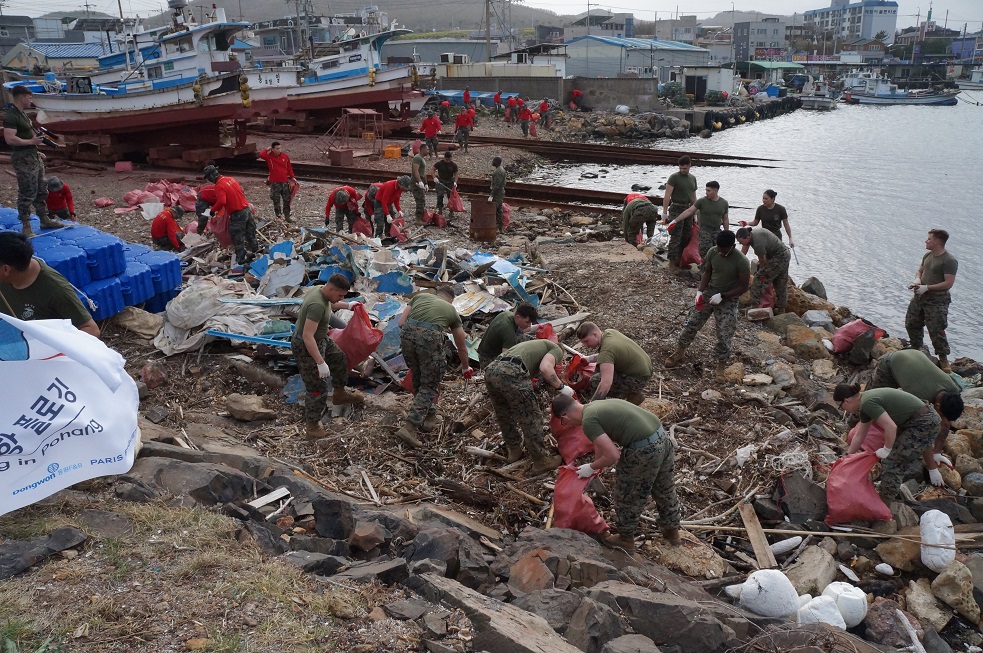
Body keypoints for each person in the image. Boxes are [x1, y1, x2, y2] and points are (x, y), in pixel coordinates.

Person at [551, 395, 681, 552]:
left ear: (565, 417)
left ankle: (625, 539)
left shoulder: (588, 422)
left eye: (563, 422)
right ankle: (672, 531)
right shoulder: (594, 407)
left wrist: (591, 467)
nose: (567, 425)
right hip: (662, 438)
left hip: (643, 449)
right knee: (664, 488)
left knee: (627, 494)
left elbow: (613, 455)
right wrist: (597, 466)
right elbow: (599, 444)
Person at [665, 230, 751, 379]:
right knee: (692, 322)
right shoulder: (713, 252)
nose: (721, 252)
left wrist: (723, 296)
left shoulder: (741, 261)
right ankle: (680, 351)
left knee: (724, 333)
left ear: (733, 246)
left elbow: (743, 287)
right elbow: (707, 272)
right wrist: (700, 291)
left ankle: (721, 365)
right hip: (710, 292)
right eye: (719, 248)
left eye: (724, 250)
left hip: (728, 298)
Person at [835, 383, 942, 500]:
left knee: (892, 461)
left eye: (841, 407)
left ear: (847, 401)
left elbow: (891, 427)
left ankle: (885, 500)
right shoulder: (864, 402)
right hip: (917, 420)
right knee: (899, 452)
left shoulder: (867, 403)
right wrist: (846, 457)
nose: (843, 410)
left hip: (923, 422)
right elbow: (859, 436)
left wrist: (886, 449)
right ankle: (887, 491)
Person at [291, 275, 365, 440]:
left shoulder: (321, 291)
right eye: (340, 295)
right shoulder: (316, 304)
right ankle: (312, 427)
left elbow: (330, 303)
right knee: (317, 388)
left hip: (321, 339)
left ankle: (339, 393)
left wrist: (348, 305)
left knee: (339, 359)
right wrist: (320, 362)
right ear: (332, 289)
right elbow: (307, 336)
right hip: (306, 346)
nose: (341, 298)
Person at [395, 287, 472, 446]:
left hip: (406, 336)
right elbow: (461, 346)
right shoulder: (451, 310)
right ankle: (409, 427)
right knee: (430, 385)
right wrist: (465, 367)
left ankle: (429, 417)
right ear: (450, 300)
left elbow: (401, 323)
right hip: (429, 338)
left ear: (437, 295)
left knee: (418, 377)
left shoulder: (420, 296)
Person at [868, 348, 964, 476]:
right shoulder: (918, 399)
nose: (943, 419)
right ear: (937, 406)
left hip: (914, 356)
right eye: (942, 415)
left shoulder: (953, 390)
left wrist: (936, 453)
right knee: (870, 401)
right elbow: (922, 432)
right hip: (890, 362)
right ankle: (852, 427)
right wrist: (932, 468)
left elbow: (946, 423)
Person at [485, 339, 568, 473]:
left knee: (503, 413)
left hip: (491, 370)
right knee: (531, 416)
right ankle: (541, 460)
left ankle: (514, 449)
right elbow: (546, 368)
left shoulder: (534, 346)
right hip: (511, 371)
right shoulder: (556, 348)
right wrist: (562, 388)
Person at [0, 232, 99, 337]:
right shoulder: (12, 270)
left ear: (6, 269)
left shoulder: (56, 289)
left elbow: (91, 330)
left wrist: (52, 345)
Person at [4, 86, 64, 237]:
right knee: (27, 192)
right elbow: (9, 138)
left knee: (41, 189)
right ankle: (26, 225)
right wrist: (31, 142)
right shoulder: (11, 116)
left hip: (32, 156)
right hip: (23, 159)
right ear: (21, 97)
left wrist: (35, 150)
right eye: (29, 98)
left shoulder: (23, 114)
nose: (31, 101)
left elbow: (25, 136)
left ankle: (44, 219)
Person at [905, 229, 957, 372]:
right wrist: (917, 280)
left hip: (937, 300)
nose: (926, 241)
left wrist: (927, 287)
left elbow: (948, 283)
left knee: (936, 329)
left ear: (937, 242)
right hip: (920, 297)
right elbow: (920, 270)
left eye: (929, 239)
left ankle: (943, 359)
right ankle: (916, 348)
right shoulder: (928, 255)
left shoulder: (949, 261)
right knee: (911, 323)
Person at [576, 322, 652, 405]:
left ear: (595, 335)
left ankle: (632, 394)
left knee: (595, 381)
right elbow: (610, 355)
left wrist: (591, 405)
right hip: (644, 369)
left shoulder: (607, 350)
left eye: (586, 341)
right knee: (599, 368)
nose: (585, 345)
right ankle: (632, 393)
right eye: (583, 342)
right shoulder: (609, 333)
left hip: (638, 379)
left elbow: (606, 383)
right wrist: (589, 359)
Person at [203, 165, 257, 269]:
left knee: (237, 236)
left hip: (237, 213)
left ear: (211, 176)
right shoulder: (230, 179)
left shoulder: (219, 186)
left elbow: (222, 201)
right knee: (250, 233)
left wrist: (212, 211)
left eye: (208, 178)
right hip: (246, 209)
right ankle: (256, 251)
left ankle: (241, 260)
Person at [736, 226, 791, 315]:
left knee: (759, 279)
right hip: (785, 254)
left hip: (779, 257)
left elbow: (763, 260)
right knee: (780, 281)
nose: (740, 243)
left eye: (741, 242)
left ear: (747, 238)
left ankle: (755, 306)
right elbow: (744, 251)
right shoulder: (751, 234)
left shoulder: (757, 243)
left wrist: (762, 272)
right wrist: (738, 262)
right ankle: (781, 309)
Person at [673, 181, 729, 261]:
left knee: (719, 251)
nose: (706, 193)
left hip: (717, 230)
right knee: (705, 250)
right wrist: (675, 220)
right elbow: (689, 211)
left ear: (715, 191)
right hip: (704, 229)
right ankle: (704, 266)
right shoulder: (702, 201)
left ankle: (715, 266)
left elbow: (725, 219)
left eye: (708, 191)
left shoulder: (724, 203)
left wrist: (727, 233)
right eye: (706, 190)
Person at [661, 156, 698, 272]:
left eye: (684, 168)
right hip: (676, 208)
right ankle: (672, 262)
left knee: (686, 235)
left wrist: (695, 213)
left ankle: (681, 260)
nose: (682, 170)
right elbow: (667, 195)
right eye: (680, 168)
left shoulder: (692, 178)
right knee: (676, 235)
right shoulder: (674, 177)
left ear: (690, 165)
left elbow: (693, 196)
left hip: (689, 208)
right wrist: (664, 212)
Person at [477, 302, 538, 368]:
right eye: (527, 322)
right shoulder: (509, 332)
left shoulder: (508, 315)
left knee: (529, 340)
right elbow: (506, 361)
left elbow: (521, 330)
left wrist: (539, 327)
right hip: (488, 359)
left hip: (485, 350)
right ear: (518, 317)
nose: (529, 325)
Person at [258, 141, 295, 221]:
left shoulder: (285, 156)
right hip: (275, 182)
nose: (279, 150)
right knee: (276, 200)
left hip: (284, 181)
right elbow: (261, 154)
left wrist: (292, 177)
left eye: (280, 148)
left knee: (287, 199)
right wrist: (267, 149)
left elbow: (289, 167)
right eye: (277, 149)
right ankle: (279, 216)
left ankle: (287, 216)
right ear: (273, 149)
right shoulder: (269, 157)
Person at [433, 151, 459, 215]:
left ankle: (451, 210)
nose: (447, 161)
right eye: (446, 159)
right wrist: (434, 177)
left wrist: (455, 182)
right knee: (440, 195)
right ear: (444, 158)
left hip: (450, 181)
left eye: (449, 159)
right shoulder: (439, 163)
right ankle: (440, 209)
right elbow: (432, 169)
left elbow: (456, 174)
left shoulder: (453, 165)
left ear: (451, 158)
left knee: (451, 196)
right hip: (441, 181)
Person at [489, 156, 507, 233]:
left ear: (497, 162)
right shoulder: (501, 169)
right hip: (500, 192)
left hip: (498, 193)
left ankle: (496, 227)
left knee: (495, 209)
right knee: (498, 209)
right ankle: (500, 228)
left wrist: (492, 194)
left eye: (493, 161)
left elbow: (497, 185)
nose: (492, 162)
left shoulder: (498, 172)